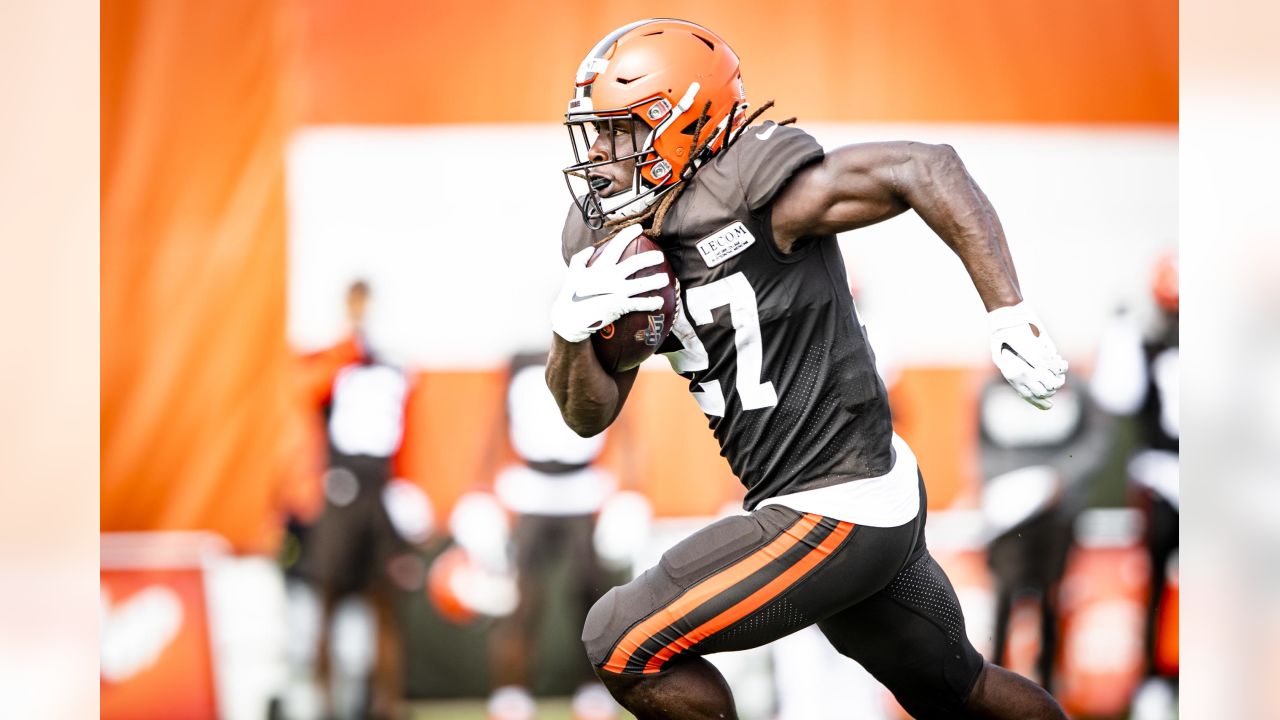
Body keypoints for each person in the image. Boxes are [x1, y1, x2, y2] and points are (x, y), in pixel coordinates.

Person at [545, 19, 1070, 720]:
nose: (603, 154)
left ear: (686, 122)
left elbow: (928, 165)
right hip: (833, 499)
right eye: (598, 132)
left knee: (618, 639)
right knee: (959, 692)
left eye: (622, 131)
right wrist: (570, 333)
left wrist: (1009, 311)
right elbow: (588, 415)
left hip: (835, 503)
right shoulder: (612, 244)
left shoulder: (757, 191)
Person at [1090, 254, 1179, 718]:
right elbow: (1118, 395)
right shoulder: (1145, 343)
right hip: (1162, 473)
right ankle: (1153, 678)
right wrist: (1120, 336)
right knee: (1157, 583)